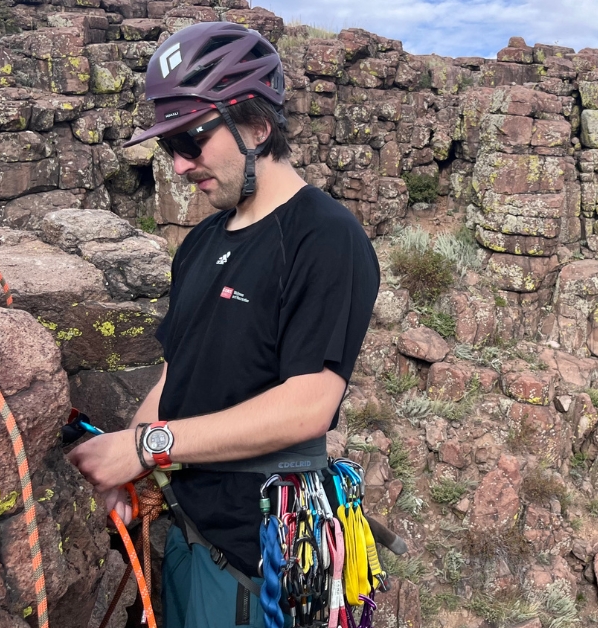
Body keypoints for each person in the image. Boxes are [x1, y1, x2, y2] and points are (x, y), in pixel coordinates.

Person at [68, 21, 381, 628]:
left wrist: (143, 447)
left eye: (192, 137)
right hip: (187, 534)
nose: (181, 164)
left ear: (257, 126)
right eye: (168, 146)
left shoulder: (325, 238)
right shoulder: (202, 241)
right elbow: (175, 373)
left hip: (252, 561)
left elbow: (307, 405)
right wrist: (134, 473)